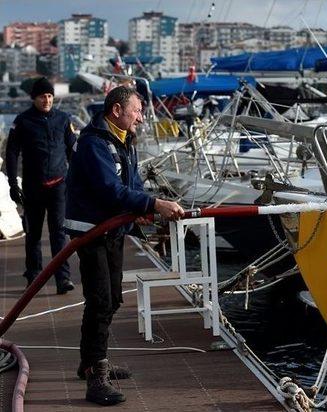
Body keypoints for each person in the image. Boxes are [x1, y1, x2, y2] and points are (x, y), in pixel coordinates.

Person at [65, 86, 184, 406]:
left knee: (113, 299)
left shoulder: (123, 140)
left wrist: (142, 210)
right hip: (92, 232)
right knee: (100, 300)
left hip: (112, 230)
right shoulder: (94, 144)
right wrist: (154, 204)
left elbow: (130, 185)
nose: (142, 117)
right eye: (137, 110)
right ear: (116, 110)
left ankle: (90, 361)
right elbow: (109, 191)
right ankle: (95, 376)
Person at [5, 77, 76, 294]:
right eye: (42, 96)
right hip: (33, 188)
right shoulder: (23, 121)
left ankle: (63, 279)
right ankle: (34, 278)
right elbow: (11, 151)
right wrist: (12, 183)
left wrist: (77, 178)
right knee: (33, 234)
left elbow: (72, 150)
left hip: (58, 186)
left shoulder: (63, 119)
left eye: (49, 96)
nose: (46, 100)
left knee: (58, 234)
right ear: (33, 98)